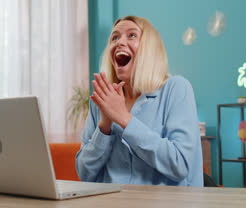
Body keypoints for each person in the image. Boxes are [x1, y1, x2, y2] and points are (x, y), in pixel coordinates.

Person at [75, 16, 203, 186]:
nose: (120, 42)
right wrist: (104, 127)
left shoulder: (176, 88)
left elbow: (180, 164)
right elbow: (84, 173)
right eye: (115, 37)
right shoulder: (100, 101)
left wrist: (123, 118)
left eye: (131, 35)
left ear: (149, 49)